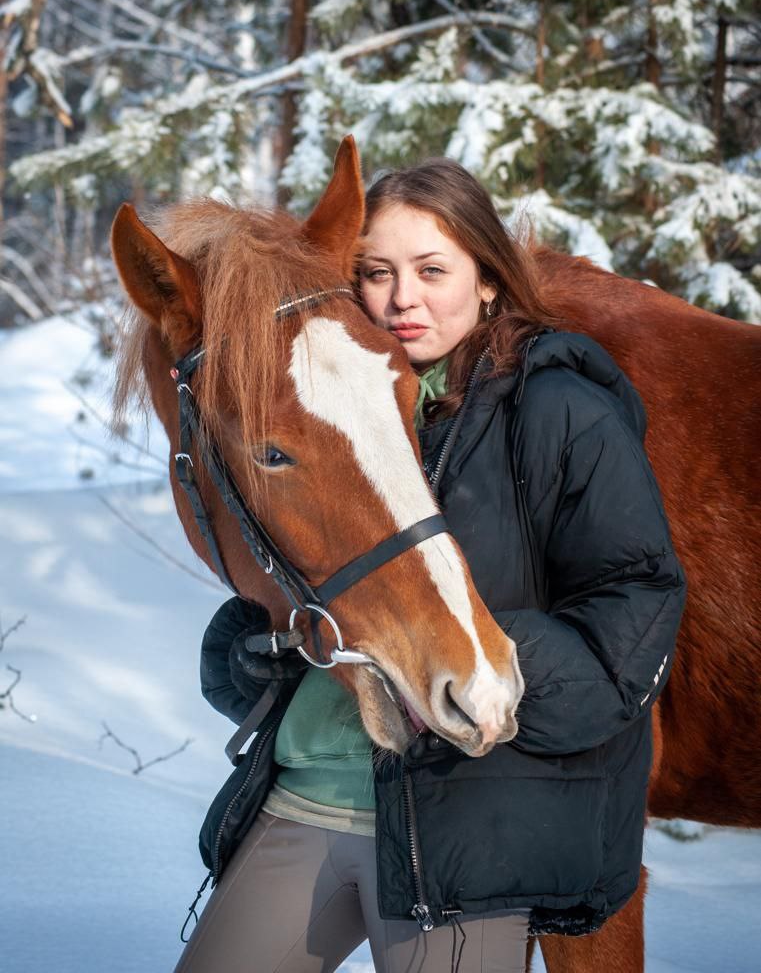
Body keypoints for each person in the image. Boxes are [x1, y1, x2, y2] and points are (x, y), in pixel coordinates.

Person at [174, 159, 687, 973]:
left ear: (488, 280)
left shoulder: (558, 406)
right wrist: (257, 655)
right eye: (375, 272)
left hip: (465, 823)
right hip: (310, 798)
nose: (400, 297)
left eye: (431, 270)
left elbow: (633, 609)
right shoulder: (351, 393)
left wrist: (492, 667)